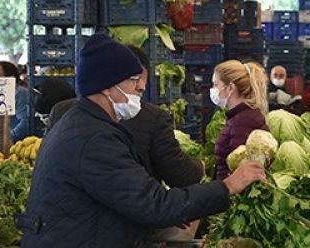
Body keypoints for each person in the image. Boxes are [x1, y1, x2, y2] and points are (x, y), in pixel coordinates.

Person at [11, 34, 267, 248]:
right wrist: (227, 187)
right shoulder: (93, 139)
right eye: (134, 82)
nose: (138, 90)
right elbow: (152, 203)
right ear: (107, 86)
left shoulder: (83, 124)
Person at [48, 46, 205, 190]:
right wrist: (202, 169)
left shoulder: (61, 111)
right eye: (135, 79)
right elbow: (177, 177)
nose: (141, 87)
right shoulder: (152, 119)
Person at [211, 60, 269, 180]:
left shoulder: (244, 122)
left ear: (230, 88)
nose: (213, 90)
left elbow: (239, 169)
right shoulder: (241, 116)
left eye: (216, 85)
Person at [0, 61, 32, 142]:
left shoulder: (20, 94)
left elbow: (25, 124)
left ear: (11, 78)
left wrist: (7, 139)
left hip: (16, 143)